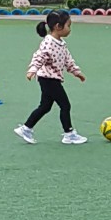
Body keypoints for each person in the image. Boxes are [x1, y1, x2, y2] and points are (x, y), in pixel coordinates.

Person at [16, 10, 86, 145]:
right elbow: (39, 57)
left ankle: (26, 128)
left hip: (52, 79)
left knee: (45, 106)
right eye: (68, 26)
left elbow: (68, 60)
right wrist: (32, 70)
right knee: (65, 105)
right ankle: (69, 134)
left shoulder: (61, 43)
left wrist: (76, 72)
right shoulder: (48, 43)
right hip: (48, 80)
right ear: (58, 26)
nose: (70, 29)